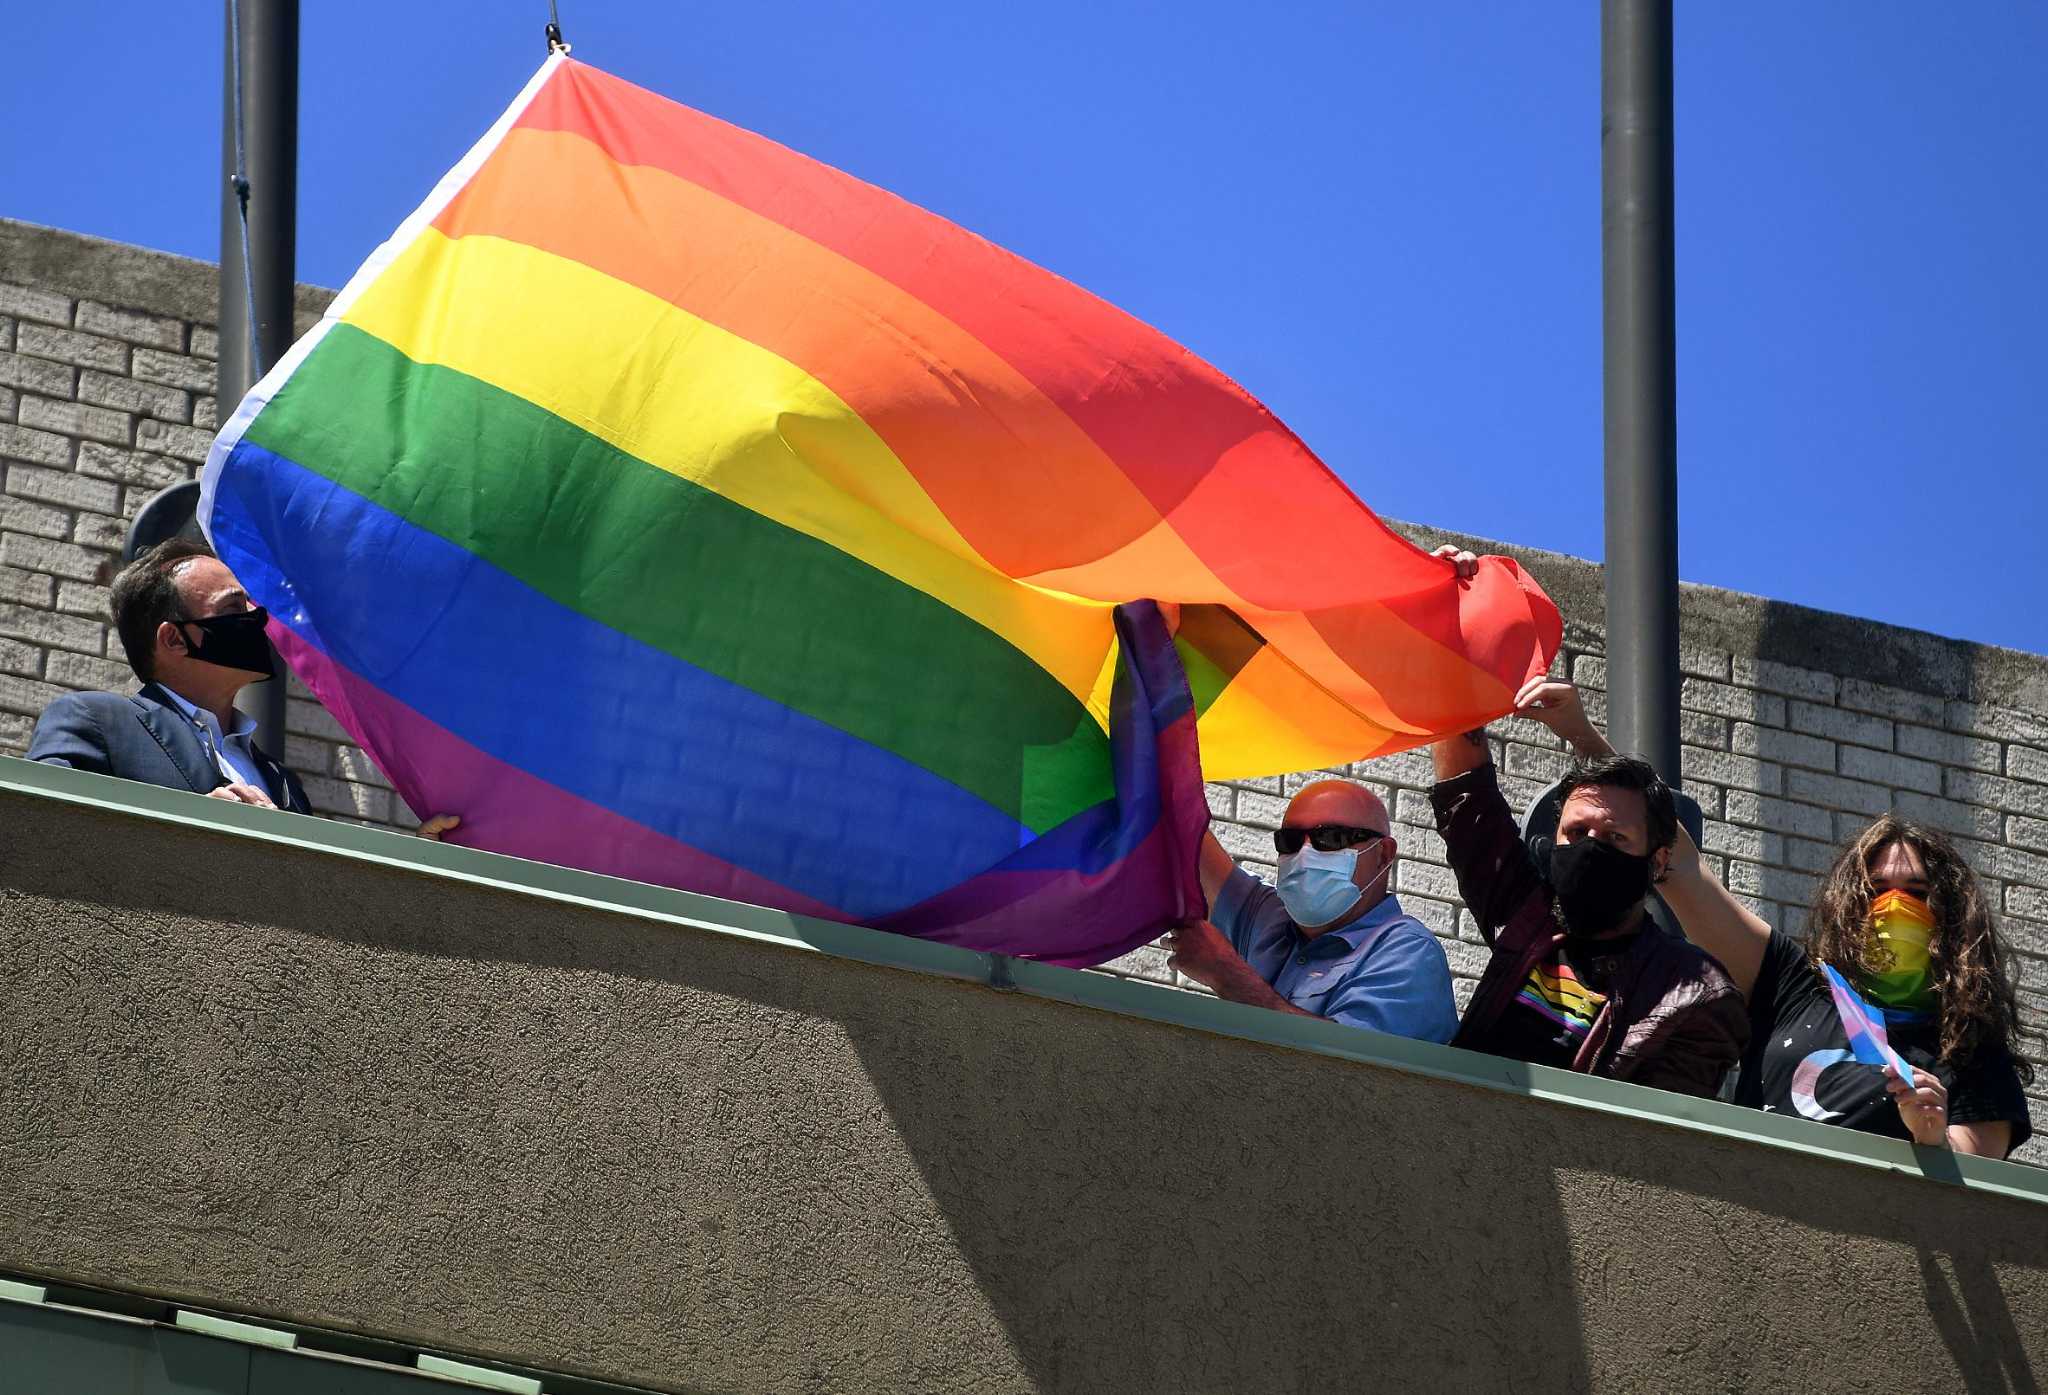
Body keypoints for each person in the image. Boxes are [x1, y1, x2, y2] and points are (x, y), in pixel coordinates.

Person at [1430, 674, 1749, 1095]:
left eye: (1616, 838)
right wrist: (1451, 663)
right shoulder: (1526, 914)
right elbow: (1468, 800)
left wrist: (1582, 733)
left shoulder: (1694, 991)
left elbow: (1652, 1141)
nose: (1591, 850)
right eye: (1577, 834)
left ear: (1657, 862)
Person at [26, 538, 459, 837]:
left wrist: (418, 863)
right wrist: (190, 826)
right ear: (175, 639)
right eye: (234, 606)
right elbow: (43, 834)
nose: (258, 615)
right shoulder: (95, 722)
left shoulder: (282, 782)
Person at [1659, 812, 2033, 1157]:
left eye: (1917, 893)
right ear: (1849, 904)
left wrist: (1933, 1137)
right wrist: (1603, 758)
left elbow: (1975, 1191)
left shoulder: (1974, 1052)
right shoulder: (1792, 983)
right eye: (1876, 890)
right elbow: (1680, 866)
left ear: (1952, 916)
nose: (1895, 905)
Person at [1164, 778, 1460, 1043]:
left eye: (1330, 838)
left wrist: (1226, 974)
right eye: (1290, 841)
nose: (1305, 855)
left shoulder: (1407, 953)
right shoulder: (1269, 919)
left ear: (1383, 855)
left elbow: (1347, 1071)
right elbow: (1186, 839)